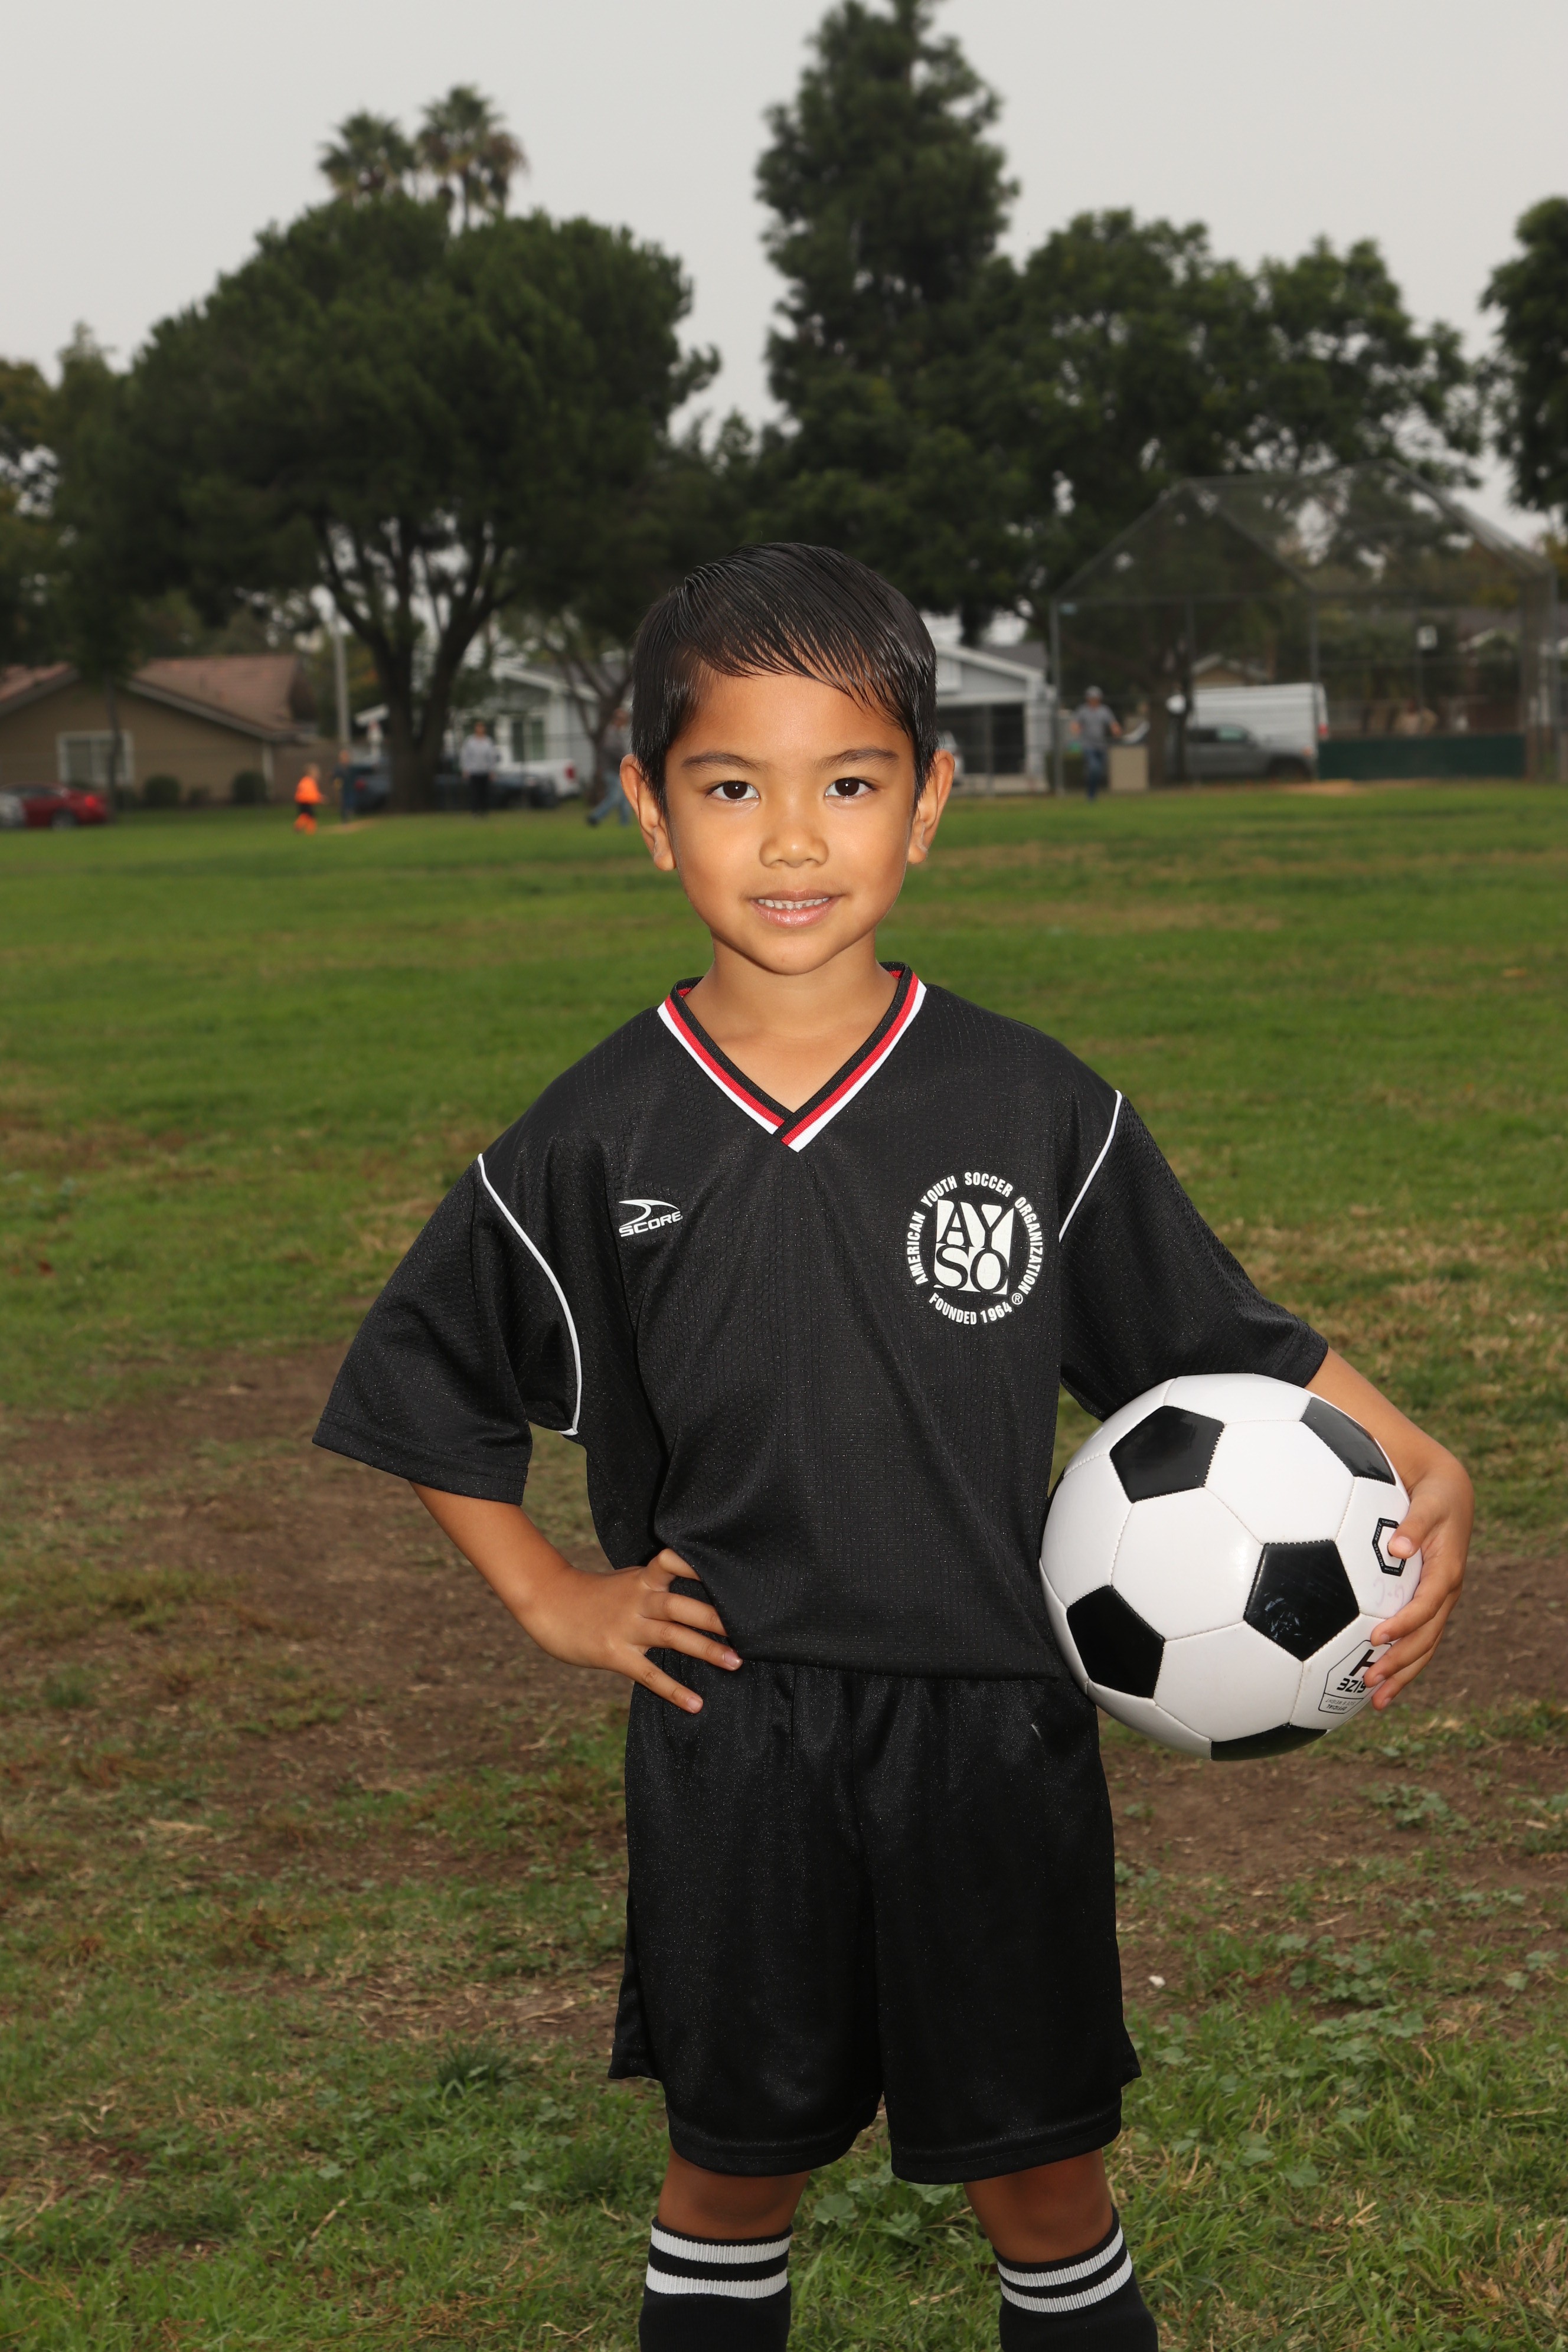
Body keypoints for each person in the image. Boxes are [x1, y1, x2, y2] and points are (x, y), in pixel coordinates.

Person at [314, 545, 1471, 2352]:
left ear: (928, 803)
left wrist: (1419, 1455)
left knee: (1045, 2182)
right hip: (735, 1739)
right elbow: (426, 1366)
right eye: (731, 787)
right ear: (647, 810)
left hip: (993, 1735)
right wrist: (550, 1594)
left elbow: (1216, 1336)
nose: (793, 838)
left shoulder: (1032, 1104)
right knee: (729, 2174)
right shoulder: (596, 1134)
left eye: (846, 784)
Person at [587, 706, 634, 827]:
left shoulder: (619, 733)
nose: (624, 722)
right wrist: (624, 757)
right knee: (615, 797)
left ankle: (625, 823)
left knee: (625, 797)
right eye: (622, 719)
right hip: (611, 770)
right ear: (616, 719)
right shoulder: (611, 732)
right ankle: (595, 817)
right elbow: (610, 748)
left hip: (618, 770)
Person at [1074, 688, 1121, 801]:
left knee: (1099, 772)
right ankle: (1091, 794)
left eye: (1096, 698)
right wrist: (1076, 729)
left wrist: (1115, 730)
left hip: (1101, 745)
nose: (1094, 700)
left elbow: (1112, 723)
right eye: (1091, 698)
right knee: (1094, 767)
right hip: (1088, 745)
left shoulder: (1104, 711)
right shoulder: (1083, 711)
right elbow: (1075, 723)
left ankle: (1092, 792)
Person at [460, 720, 500, 816]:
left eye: (481, 727)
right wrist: (465, 769)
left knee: (484, 793)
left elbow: (492, 757)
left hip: (485, 771)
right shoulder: (470, 742)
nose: (480, 729)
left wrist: (492, 770)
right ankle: (475, 811)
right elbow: (465, 756)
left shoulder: (488, 741)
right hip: (474, 771)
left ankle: (484, 811)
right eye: (478, 727)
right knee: (475, 793)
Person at [292, 765, 323, 834]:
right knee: (311, 817)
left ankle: (299, 826)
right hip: (307, 801)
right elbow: (312, 793)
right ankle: (310, 831)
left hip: (301, 801)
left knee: (304, 815)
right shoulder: (310, 782)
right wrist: (319, 799)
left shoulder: (304, 781)